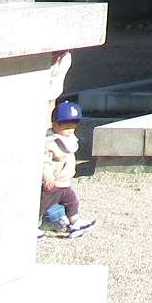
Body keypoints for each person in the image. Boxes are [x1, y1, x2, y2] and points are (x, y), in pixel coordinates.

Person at [40, 100, 94, 237]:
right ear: (55, 124)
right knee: (42, 206)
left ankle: (75, 222)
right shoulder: (50, 142)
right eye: (66, 125)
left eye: (73, 125)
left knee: (72, 202)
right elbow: (44, 162)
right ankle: (34, 225)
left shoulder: (70, 139)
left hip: (65, 182)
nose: (70, 129)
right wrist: (48, 177)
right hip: (54, 182)